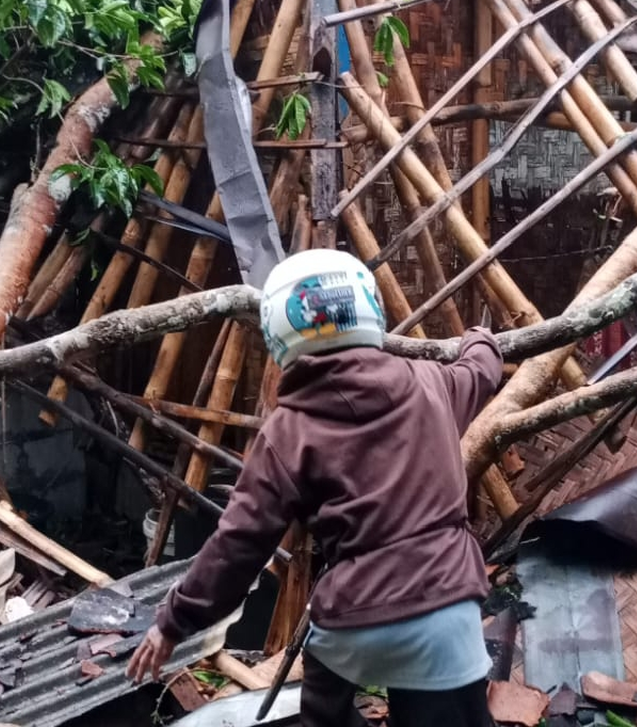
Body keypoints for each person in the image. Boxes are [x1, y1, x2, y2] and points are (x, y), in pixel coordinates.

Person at [127, 249, 502, 727]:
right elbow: (480, 372)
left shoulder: (287, 432)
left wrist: (172, 622)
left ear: (279, 331)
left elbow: (237, 546)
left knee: (324, 709)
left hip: (356, 622)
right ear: (369, 309)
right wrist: (481, 339)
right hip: (449, 612)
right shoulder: (431, 383)